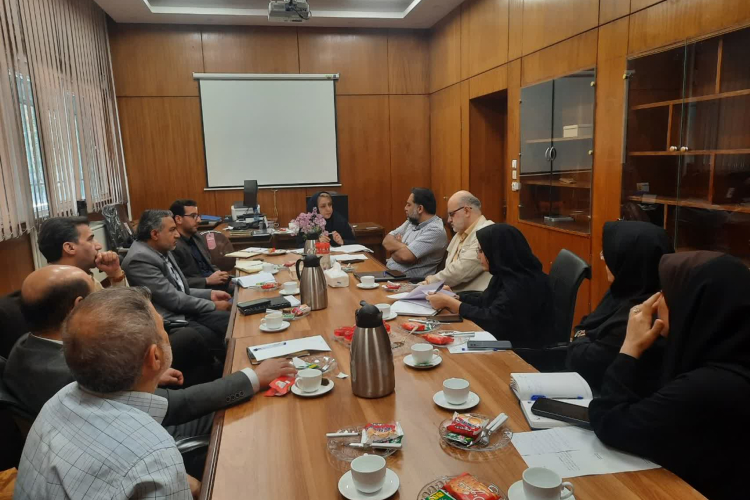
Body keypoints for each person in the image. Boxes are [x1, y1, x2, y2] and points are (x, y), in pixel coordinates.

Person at [4, 266, 295, 438]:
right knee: (251, 414)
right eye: (97, 292)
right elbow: (176, 406)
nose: (104, 297)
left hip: (114, 431)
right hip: (143, 440)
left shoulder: (25, 346)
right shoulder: (68, 372)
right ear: (78, 307)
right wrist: (254, 377)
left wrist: (133, 374)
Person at [589, 252, 750, 500]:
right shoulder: (727, 355)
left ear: (691, 303)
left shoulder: (708, 387)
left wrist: (630, 347)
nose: (655, 302)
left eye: (665, 293)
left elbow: (611, 421)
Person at [14, 286, 200, 499]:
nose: (167, 334)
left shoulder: (57, 401)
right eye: (163, 329)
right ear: (155, 357)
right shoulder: (153, 454)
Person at [38, 216, 221, 385]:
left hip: (121, 347)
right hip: (110, 362)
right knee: (192, 340)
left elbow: (124, 308)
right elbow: (114, 328)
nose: (98, 245)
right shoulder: (60, 289)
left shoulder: (84, 276)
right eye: (91, 239)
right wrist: (143, 372)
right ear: (69, 248)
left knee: (199, 364)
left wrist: (115, 275)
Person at [566, 221, 673, 391]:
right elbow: (585, 326)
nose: (603, 258)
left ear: (631, 260)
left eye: (609, 254)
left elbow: (583, 363)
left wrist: (581, 336)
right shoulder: (624, 290)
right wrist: (583, 336)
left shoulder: (644, 315)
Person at [425, 224, 554, 348]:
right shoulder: (505, 274)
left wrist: (451, 303)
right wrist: (455, 297)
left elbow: (492, 320)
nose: (478, 256)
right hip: (504, 340)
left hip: (521, 351)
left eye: (481, 251)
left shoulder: (522, 284)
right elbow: (486, 301)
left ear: (498, 252)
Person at [123, 210, 231, 354]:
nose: (177, 235)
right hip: (172, 320)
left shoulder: (161, 248)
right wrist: (212, 305)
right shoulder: (139, 259)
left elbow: (179, 289)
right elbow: (174, 300)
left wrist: (209, 294)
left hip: (184, 311)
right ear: (155, 234)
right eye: (172, 230)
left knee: (229, 321)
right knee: (215, 338)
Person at [424, 191, 493, 292]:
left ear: (466, 211)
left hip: (474, 297)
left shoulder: (487, 232)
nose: (449, 220)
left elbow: (461, 270)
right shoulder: (460, 233)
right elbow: (449, 268)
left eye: (451, 214)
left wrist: (430, 281)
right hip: (451, 294)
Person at [384, 188, 448, 279]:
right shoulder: (411, 221)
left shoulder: (435, 230)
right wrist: (404, 247)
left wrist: (393, 249)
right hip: (389, 273)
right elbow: (386, 241)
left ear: (420, 209)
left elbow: (404, 256)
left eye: (409, 205)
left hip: (408, 281)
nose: (405, 208)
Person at [170, 199, 231, 291]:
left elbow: (209, 264)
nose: (199, 220)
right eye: (193, 216)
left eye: (198, 216)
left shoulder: (197, 236)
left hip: (216, 284)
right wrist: (207, 281)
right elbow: (176, 281)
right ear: (178, 219)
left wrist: (219, 273)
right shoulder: (172, 245)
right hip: (200, 291)